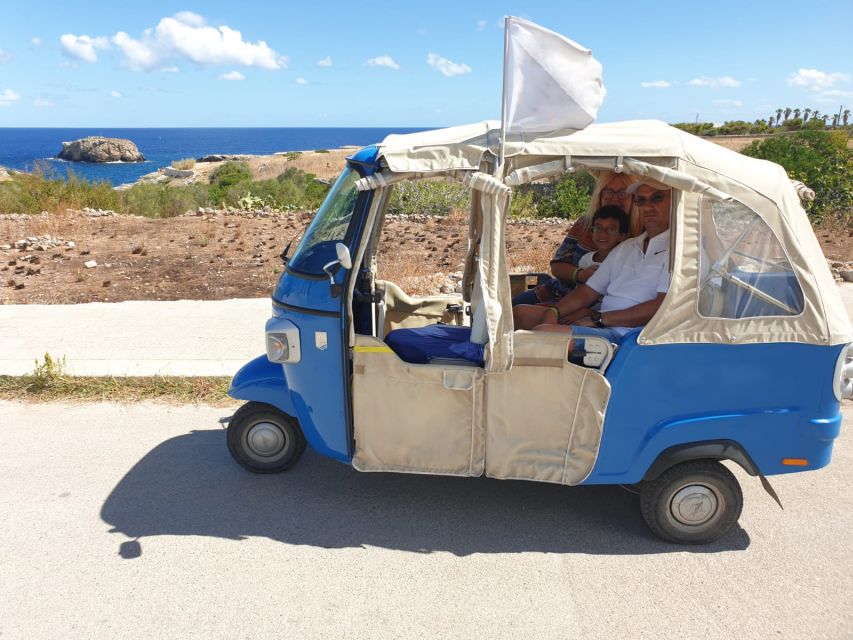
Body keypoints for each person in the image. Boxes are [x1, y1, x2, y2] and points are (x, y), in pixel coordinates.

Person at [513, 179, 672, 343]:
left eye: (657, 198)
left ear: (674, 202)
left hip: (629, 337)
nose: (648, 206)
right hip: (602, 325)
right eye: (641, 200)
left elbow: (660, 307)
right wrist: (555, 311)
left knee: (541, 335)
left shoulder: (679, 251)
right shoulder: (627, 246)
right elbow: (588, 292)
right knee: (520, 316)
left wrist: (598, 318)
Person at [512, 170, 638, 306]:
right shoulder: (584, 225)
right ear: (599, 195)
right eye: (608, 192)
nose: (614, 198)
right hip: (555, 291)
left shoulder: (639, 237)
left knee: (523, 314)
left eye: (622, 193)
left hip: (591, 307)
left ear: (633, 197)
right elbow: (557, 265)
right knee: (508, 310)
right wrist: (580, 275)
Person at [513, 205, 630, 330]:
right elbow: (580, 293)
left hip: (593, 317)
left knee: (528, 318)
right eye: (598, 228)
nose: (603, 234)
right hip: (574, 309)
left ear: (622, 236)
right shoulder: (586, 259)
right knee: (518, 312)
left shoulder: (623, 264)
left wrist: (586, 313)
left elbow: (611, 302)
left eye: (611, 230)